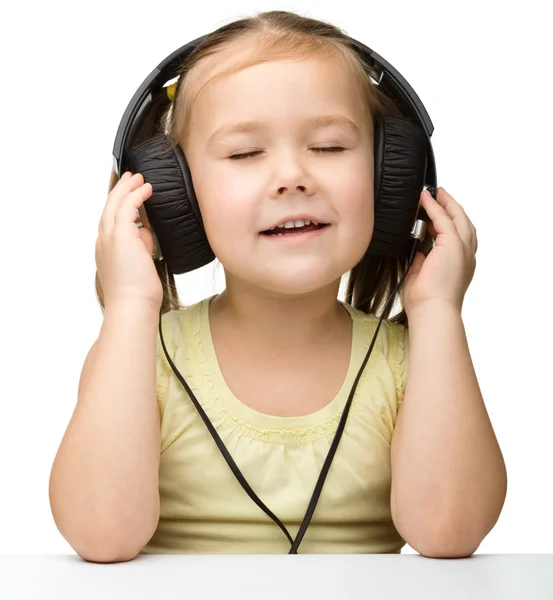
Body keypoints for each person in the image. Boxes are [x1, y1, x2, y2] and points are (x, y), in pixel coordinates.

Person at [49, 10, 507, 562]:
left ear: (393, 178)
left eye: (331, 147)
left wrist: (438, 313)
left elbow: (449, 534)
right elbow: (100, 537)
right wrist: (128, 305)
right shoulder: (143, 355)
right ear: (176, 198)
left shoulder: (411, 363)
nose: (292, 176)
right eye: (244, 154)